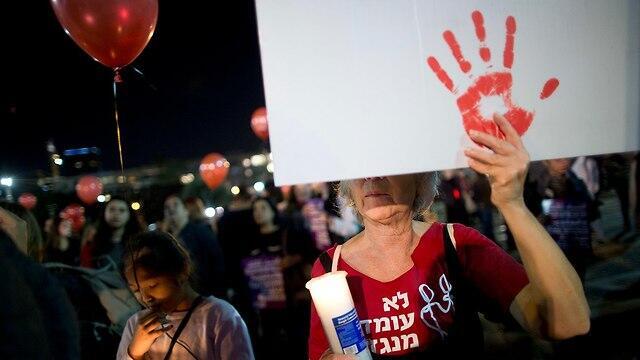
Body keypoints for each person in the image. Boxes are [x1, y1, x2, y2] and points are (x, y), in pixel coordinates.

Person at [308, 114, 590, 359]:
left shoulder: (457, 244)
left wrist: (512, 203)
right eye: (358, 167)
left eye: (388, 161)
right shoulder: (330, 268)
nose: (371, 175)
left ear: (419, 178)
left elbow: (567, 322)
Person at [116, 231, 254, 360]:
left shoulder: (219, 316)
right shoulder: (136, 325)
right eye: (136, 290)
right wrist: (134, 353)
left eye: (152, 285)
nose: (146, 298)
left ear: (181, 271)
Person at [243, 197, 317, 359]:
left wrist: (292, 260)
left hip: (291, 299)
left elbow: (309, 251)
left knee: (297, 340)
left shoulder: (288, 234)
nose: (258, 213)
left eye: (263, 208)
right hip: (266, 303)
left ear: (272, 211)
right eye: (255, 209)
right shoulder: (250, 240)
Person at [164, 195, 226, 298]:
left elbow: (217, 262)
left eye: (175, 205)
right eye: (167, 207)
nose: (171, 209)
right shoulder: (167, 240)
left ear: (185, 210)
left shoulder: (201, 233)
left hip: (206, 295)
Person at [80, 197, 143, 268]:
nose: (116, 214)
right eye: (112, 209)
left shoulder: (138, 245)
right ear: (104, 213)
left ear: (129, 215)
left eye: (122, 210)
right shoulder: (92, 244)